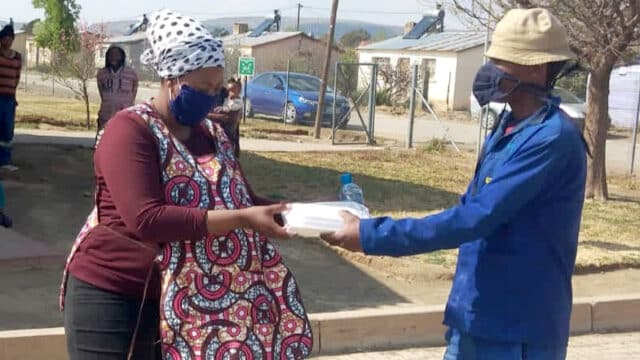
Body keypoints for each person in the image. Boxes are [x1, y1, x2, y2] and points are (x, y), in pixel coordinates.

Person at [323, 8, 588, 360]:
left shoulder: (551, 139)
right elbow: (469, 207)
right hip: (478, 314)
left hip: (516, 328)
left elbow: (476, 217)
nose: (490, 69)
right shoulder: (510, 126)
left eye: (501, 61)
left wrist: (371, 234)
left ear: (536, 69)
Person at [61, 9, 313, 360]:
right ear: (171, 79)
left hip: (186, 299)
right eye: (202, 88)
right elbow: (147, 219)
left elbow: (241, 198)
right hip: (116, 292)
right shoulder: (129, 131)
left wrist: (301, 216)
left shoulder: (214, 134)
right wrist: (242, 218)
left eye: (217, 89)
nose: (212, 98)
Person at [96, 45, 138, 131]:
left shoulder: (131, 73)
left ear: (122, 57)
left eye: (117, 55)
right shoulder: (101, 74)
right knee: (103, 141)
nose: (113, 58)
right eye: (111, 55)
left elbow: (134, 91)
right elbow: (102, 93)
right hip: (106, 115)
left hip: (125, 115)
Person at [0, 23, 21, 172]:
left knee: (7, 129)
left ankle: (5, 161)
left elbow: (16, 78)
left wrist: (14, 96)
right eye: (4, 38)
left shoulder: (17, 57)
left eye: (9, 38)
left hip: (9, 98)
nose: (7, 41)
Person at [208, 78, 243, 156]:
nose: (230, 93)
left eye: (233, 91)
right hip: (217, 129)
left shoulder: (237, 101)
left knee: (228, 143)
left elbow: (230, 115)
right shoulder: (226, 96)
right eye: (229, 90)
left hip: (227, 129)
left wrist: (220, 111)